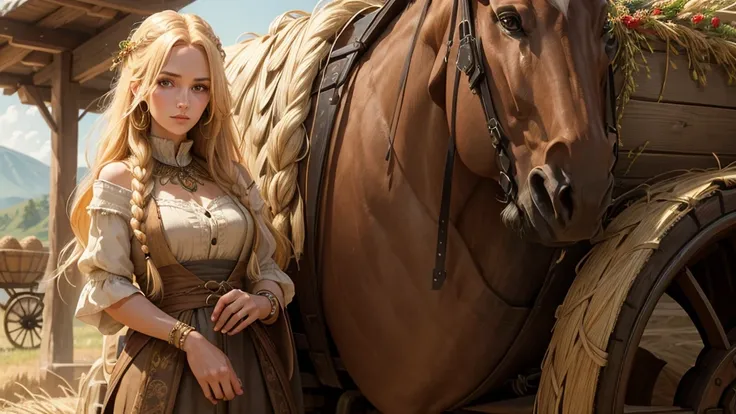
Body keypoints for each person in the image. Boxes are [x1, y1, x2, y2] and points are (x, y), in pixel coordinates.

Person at [54, 10, 303, 414]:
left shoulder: (234, 178)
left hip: (251, 369)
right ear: (138, 87)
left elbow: (270, 271)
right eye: (167, 83)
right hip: (165, 373)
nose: (184, 101)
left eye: (199, 87)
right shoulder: (118, 178)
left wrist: (262, 303)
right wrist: (191, 341)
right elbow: (110, 289)